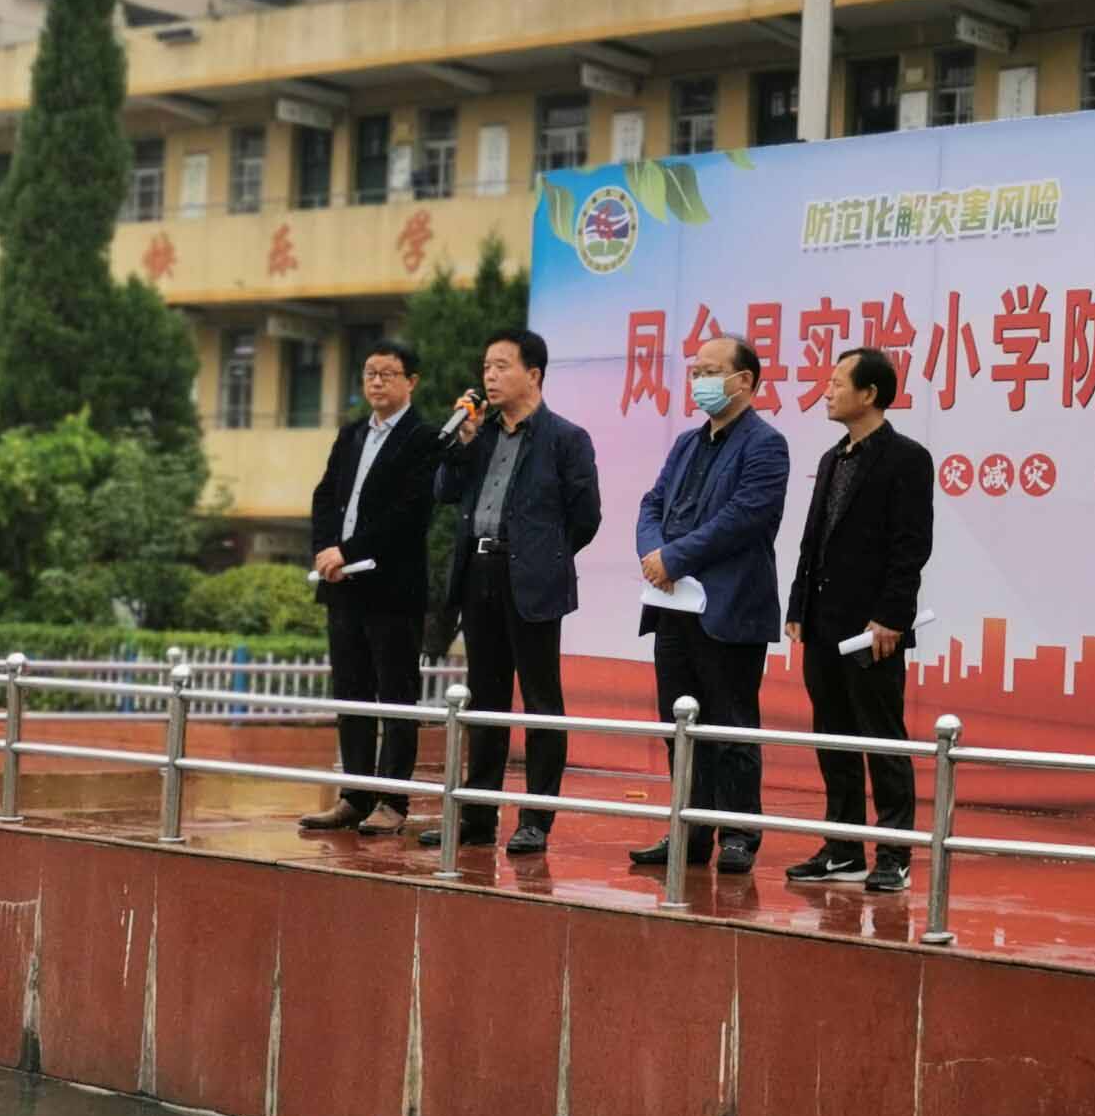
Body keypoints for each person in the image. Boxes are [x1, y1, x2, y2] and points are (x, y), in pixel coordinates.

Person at [421, 328, 601, 855]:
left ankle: (535, 821)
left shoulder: (565, 439)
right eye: (486, 367)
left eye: (502, 366)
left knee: (540, 702)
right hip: (477, 576)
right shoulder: (479, 436)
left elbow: (586, 518)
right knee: (485, 701)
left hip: (532, 581)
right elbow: (444, 491)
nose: (490, 376)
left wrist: (543, 557)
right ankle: (477, 817)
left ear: (534, 374)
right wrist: (461, 444)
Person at [629, 334, 789, 874]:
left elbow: (744, 518)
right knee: (681, 724)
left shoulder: (766, 445)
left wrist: (675, 557)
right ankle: (690, 830)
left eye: (710, 371)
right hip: (673, 607)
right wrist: (653, 552)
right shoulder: (685, 444)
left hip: (730, 608)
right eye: (696, 371)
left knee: (731, 726)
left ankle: (739, 833)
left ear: (743, 381)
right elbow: (652, 503)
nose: (699, 381)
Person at [783, 348, 934, 893]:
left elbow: (910, 547)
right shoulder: (832, 459)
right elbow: (814, 539)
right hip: (822, 623)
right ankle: (843, 847)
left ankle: (894, 852)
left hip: (873, 630)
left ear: (869, 394)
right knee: (833, 737)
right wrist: (797, 606)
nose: (826, 391)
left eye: (837, 382)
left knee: (883, 739)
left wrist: (891, 617)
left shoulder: (906, 458)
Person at [300, 337, 440, 835]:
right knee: (352, 693)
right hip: (342, 586)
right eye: (369, 373)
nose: (376, 382)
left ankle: (392, 801)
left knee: (396, 696)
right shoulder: (352, 434)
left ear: (411, 382)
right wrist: (326, 551)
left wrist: (350, 551)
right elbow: (325, 497)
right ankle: (355, 795)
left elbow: (409, 515)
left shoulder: (422, 439)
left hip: (392, 589)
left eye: (387, 374)